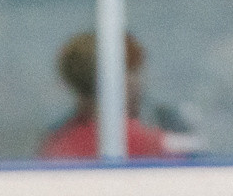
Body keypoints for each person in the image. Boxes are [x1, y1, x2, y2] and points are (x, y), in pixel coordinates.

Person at [39, 30, 172, 161]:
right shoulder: (140, 141)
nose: (139, 83)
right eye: (132, 71)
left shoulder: (57, 142)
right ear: (111, 79)